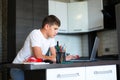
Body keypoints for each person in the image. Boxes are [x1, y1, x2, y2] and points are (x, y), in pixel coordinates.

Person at [10, 15, 78, 80]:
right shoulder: (35, 33)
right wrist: (53, 58)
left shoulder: (51, 38)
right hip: (18, 68)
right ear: (47, 26)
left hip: (32, 68)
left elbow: (54, 55)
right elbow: (38, 56)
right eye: (55, 29)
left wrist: (64, 58)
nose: (56, 32)